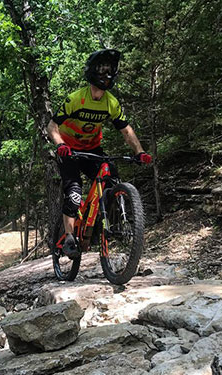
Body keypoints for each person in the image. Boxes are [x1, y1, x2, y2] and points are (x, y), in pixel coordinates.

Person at [47, 48, 152, 259]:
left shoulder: (111, 103)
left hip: (92, 150)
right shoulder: (76, 99)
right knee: (75, 193)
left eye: (110, 69)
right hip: (69, 150)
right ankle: (68, 237)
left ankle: (101, 225)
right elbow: (52, 126)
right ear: (93, 71)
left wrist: (139, 151)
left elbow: (126, 130)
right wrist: (60, 144)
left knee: (112, 176)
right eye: (102, 69)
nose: (106, 74)